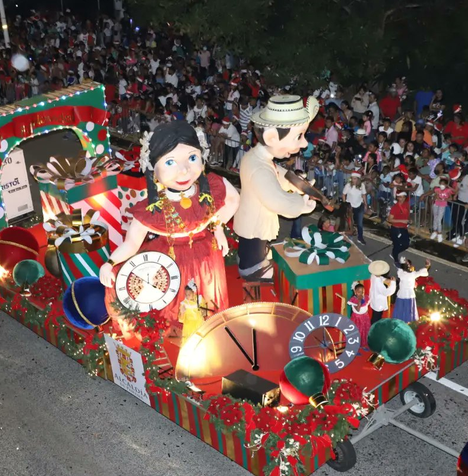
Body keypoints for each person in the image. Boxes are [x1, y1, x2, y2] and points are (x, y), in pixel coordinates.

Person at [100, 121, 239, 327]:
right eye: (170, 162)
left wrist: (217, 226)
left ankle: (211, 331)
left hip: (207, 257)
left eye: (192, 158)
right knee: (177, 312)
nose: (184, 171)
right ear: (152, 169)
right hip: (172, 262)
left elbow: (234, 199)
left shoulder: (210, 187)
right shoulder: (151, 209)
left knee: (208, 305)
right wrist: (109, 264)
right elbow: (131, 244)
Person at [233, 95, 319, 281]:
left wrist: (297, 184)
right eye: (299, 136)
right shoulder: (259, 167)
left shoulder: (258, 158)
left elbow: (279, 175)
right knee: (254, 252)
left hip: (253, 220)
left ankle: (255, 265)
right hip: (255, 224)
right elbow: (277, 200)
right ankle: (253, 271)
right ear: (271, 137)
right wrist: (300, 203)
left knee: (256, 247)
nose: (304, 143)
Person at [393, 258, 430, 322]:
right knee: (409, 311)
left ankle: (398, 322)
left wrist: (402, 262)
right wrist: (427, 266)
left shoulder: (400, 272)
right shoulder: (412, 274)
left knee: (400, 310)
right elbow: (422, 272)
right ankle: (408, 323)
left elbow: (399, 267)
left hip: (402, 294)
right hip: (409, 295)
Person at [368, 260, 397, 324]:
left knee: (375, 315)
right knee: (376, 317)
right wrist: (393, 283)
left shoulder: (373, 276)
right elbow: (387, 292)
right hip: (378, 303)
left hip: (374, 299)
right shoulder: (379, 284)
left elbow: (380, 278)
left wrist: (386, 280)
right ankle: (374, 328)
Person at [343, 171, 367, 245]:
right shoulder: (348, 185)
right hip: (350, 207)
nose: (353, 180)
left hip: (359, 205)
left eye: (355, 179)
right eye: (352, 178)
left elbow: (364, 195)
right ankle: (350, 236)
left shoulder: (362, 185)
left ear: (358, 179)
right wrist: (345, 205)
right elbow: (343, 195)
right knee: (350, 222)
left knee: (360, 223)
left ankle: (360, 237)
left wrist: (365, 204)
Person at [388, 189, 411, 265]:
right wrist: (402, 221)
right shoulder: (395, 208)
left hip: (403, 228)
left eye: (403, 197)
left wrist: (409, 221)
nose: (401, 199)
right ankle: (395, 258)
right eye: (400, 197)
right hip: (396, 229)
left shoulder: (407, 204)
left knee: (406, 245)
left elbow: (407, 215)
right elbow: (390, 220)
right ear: (397, 198)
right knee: (397, 245)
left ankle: (394, 252)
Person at [430, 175, 453, 242]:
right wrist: (436, 197)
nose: (442, 185)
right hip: (436, 204)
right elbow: (435, 197)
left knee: (439, 220)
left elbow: (451, 198)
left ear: (446, 185)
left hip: (442, 205)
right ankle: (435, 231)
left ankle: (439, 233)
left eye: (443, 184)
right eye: (441, 183)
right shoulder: (437, 189)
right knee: (435, 218)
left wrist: (445, 199)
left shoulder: (448, 190)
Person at [347, 283, 370, 349]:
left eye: (362, 292)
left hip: (365, 317)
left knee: (364, 331)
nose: (361, 294)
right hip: (357, 319)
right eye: (359, 292)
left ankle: (363, 345)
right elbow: (358, 309)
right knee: (358, 332)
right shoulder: (353, 300)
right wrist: (359, 301)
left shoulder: (366, 297)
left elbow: (366, 306)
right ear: (355, 292)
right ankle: (355, 346)